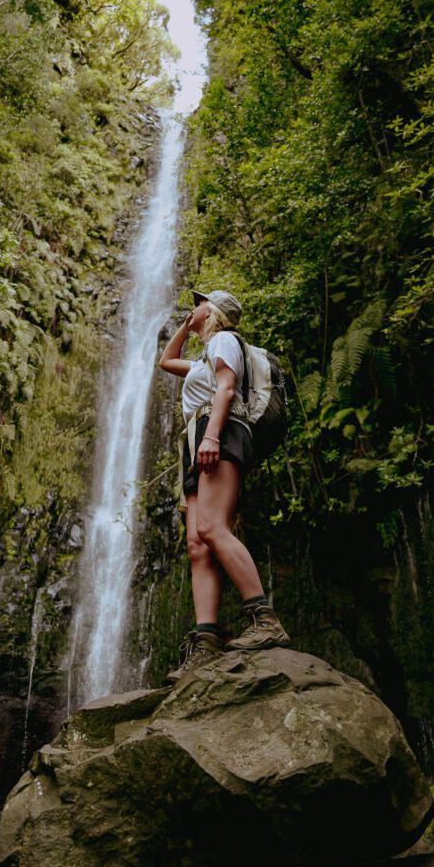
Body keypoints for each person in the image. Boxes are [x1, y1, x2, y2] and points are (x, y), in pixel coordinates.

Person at [158, 288, 291, 680]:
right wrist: (185, 326)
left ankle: (264, 619)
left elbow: (227, 389)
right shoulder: (202, 355)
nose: (192, 306)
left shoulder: (225, 340)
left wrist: (213, 436)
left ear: (213, 312)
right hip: (198, 434)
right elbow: (166, 362)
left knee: (212, 527)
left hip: (222, 430)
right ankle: (206, 642)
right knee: (198, 545)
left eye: (199, 303)